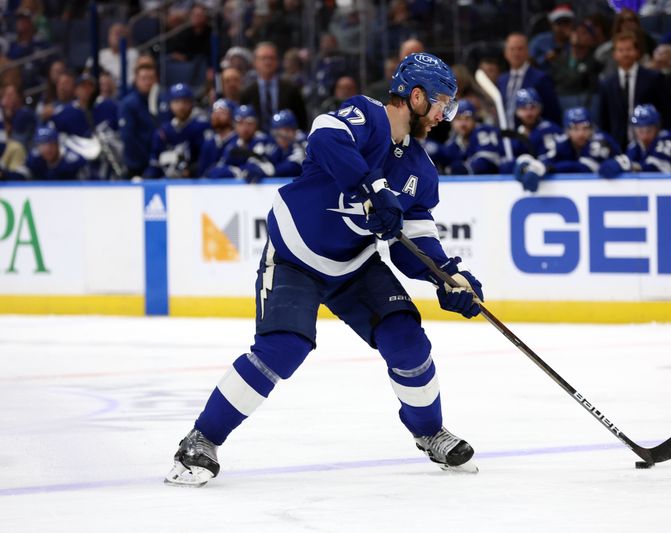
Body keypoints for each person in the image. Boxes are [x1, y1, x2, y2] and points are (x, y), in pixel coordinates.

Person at [165, 52, 483, 487]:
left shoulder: (421, 170)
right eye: (443, 102)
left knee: (406, 338)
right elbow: (324, 137)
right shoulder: (365, 114)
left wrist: (447, 277)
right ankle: (201, 439)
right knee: (283, 348)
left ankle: (430, 432)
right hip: (296, 254)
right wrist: (370, 185)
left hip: (354, 264)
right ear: (416, 95)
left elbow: (416, 244)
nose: (446, 115)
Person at [597, 31, 671, 149]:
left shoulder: (654, 78)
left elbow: (667, 112)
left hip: (651, 144)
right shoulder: (607, 83)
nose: (625, 54)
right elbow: (603, 120)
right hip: (617, 146)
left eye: (629, 49)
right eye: (621, 50)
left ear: (637, 52)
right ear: (614, 54)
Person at [514, 107, 620, 193]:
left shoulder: (599, 141)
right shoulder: (563, 143)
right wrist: (532, 167)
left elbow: (583, 169)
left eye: (585, 128)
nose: (581, 134)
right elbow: (547, 160)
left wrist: (548, 169)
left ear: (591, 129)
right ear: (567, 131)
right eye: (575, 129)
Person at [598, 104, 671, 178]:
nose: (644, 135)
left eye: (649, 130)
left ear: (656, 128)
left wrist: (633, 166)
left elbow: (660, 170)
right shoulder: (634, 146)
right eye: (640, 130)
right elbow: (622, 166)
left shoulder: (666, 139)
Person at [143, 83, 210, 179]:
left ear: (191, 103)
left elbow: (205, 160)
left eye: (185, 102)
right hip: (167, 180)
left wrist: (191, 171)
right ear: (170, 104)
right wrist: (145, 179)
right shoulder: (162, 132)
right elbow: (154, 163)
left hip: (194, 183)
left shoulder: (201, 127)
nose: (181, 106)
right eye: (177, 102)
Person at [240, 42, 308, 132]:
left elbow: (302, 120)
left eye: (271, 58)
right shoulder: (247, 92)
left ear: (277, 61)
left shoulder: (291, 89)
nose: (268, 62)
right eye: (263, 58)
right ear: (255, 62)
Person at [497, 33, 562, 126]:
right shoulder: (502, 80)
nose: (516, 53)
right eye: (512, 49)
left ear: (527, 51)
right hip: (506, 134)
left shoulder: (541, 78)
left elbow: (553, 113)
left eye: (520, 48)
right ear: (505, 53)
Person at [207, 104, 276, 182]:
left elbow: (258, 169)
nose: (245, 128)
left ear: (256, 124)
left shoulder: (265, 141)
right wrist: (237, 172)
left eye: (249, 123)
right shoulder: (232, 144)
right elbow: (217, 170)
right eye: (240, 123)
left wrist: (234, 171)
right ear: (234, 125)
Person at [439, 100, 504, 175]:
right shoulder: (453, 142)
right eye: (458, 119)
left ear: (474, 120)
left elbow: (486, 161)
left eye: (467, 119)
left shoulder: (483, 132)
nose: (463, 124)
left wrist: (466, 168)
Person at [24, 125, 89, 180]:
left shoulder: (72, 161)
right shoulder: (33, 159)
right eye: (43, 144)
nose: (47, 149)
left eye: (51, 144)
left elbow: (89, 184)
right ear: (38, 146)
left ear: (57, 144)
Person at [197, 98, 237, 177]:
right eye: (214, 112)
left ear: (232, 116)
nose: (216, 116)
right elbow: (202, 172)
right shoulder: (209, 143)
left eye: (222, 112)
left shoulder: (239, 141)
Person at [264, 109, 306, 177]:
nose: (280, 138)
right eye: (277, 134)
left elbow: (293, 167)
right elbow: (266, 159)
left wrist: (270, 171)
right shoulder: (274, 144)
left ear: (294, 130)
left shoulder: (303, 141)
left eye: (287, 131)